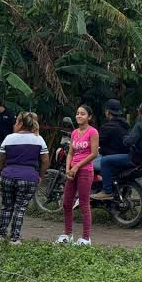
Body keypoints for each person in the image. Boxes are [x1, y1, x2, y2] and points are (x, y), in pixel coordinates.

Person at [91, 101, 142, 201]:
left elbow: (128, 142)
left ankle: (107, 191)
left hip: (135, 159)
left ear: (139, 112)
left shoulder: (140, 125)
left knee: (105, 161)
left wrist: (126, 137)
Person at [0, 112, 49, 244]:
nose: (14, 124)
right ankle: (14, 238)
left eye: (15, 122)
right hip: (29, 178)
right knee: (20, 208)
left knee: (6, 206)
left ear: (20, 123)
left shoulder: (8, 138)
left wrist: (2, 171)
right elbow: (45, 161)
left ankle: (0, 236)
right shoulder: (38, 139)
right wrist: (40, 176)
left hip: (7, 176)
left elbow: (1, 159)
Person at [57, 105, 99, 246]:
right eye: (77, 113)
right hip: (72, 171)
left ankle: (86, 238)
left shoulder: (93, 132)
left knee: (83, 204)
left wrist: (76, 167)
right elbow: (70, 153)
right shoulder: (74, 132)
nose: (79, 116)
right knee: (67, 203)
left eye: (83, 114)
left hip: (85, 171)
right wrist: (68, 168)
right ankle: (68, 234)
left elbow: (94, 154)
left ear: (89, 117)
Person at [94, 99, 129, 172]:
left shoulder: (108, 127)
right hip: (123, 158)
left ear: (107, 112)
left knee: (85, 165)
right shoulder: (125, 125)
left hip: (110, 159)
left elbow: (96, 143)